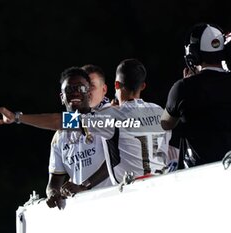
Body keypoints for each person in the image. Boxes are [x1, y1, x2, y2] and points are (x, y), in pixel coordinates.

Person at [61, 58, 172, 195]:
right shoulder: (159, 111)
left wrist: (26, 118)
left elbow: (62, 121)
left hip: (132, 191)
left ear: (116, 85)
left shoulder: (112, 115)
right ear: (142, 86)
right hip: (163, 187)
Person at [161, 23, 231, 168]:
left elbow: (166, 123)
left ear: (192, 55)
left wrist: (184, 88)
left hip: (200, 177)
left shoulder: (183, 88)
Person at [44, 67, 112, 209]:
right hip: (82, 208)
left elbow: (113, 162)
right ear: (62, 97)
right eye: (69, 90)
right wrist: (52, 193)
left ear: (88, 93)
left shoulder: (103, 121)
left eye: (80, 88)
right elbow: (54, 182)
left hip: (110, 201)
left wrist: (84, 186)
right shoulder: (59, 136)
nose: (75, 92)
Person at [0, 64, 110, 128]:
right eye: (72, 88)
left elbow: (58, 121)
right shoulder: (63, 134)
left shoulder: (110, 116)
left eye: (85, 87)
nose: (77, 92)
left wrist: (16, 117)